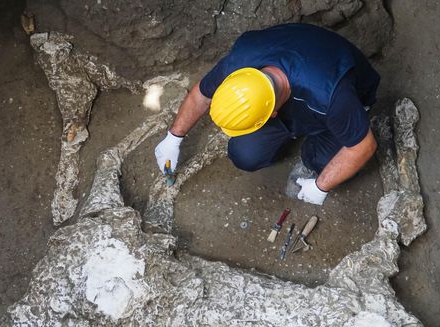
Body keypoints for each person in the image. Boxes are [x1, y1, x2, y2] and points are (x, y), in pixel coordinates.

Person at [154, 23, 380, 205]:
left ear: (271, 114)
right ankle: (296, 139)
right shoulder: (239, 64)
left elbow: (363, 146)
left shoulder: (331, 96)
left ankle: (313, 156)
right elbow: (201, 95)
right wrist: (174, 138)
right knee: (245, 153)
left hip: (336, 89)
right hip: (299, 79)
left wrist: (321, 186)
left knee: (322, 159)